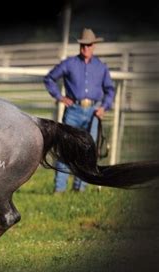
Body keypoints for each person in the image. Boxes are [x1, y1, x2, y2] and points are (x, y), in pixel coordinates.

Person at [44, 28, 115, 193]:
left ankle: (79, 188)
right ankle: (59, 188)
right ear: (80, 46)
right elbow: (49, 78)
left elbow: (110, 89)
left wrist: (103, 107)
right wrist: (60, 97)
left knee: (87, 151)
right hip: (73, 110)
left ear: (94, 46)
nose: (85, 48)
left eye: (89, 45)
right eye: (83, 45)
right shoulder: (69, 64)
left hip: (93, 112)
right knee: (66, 149)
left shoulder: (101, 67)